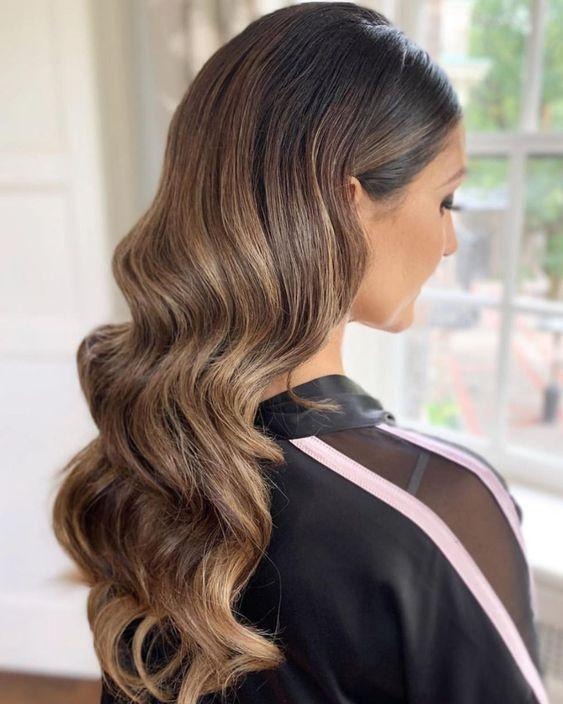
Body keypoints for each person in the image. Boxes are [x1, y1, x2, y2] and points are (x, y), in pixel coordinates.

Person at [51, 2, 549, 703]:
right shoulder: (438, 509)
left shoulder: (152, 449)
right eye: (446, 201)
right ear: (347, 205)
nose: (449, 243)